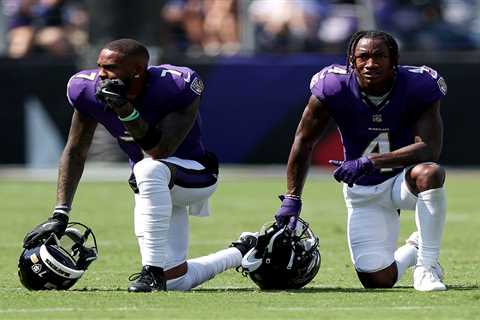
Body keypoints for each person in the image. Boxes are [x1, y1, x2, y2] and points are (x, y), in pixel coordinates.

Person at [22, 38, 257, 292]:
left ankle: (151, 272)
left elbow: (159, 150)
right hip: (152, 185)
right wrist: (61, 212)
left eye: (111, 67)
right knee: (176, 281)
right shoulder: (86, 89)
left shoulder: (175, 85)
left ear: (137, 70)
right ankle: (244, 249)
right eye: (99, 65)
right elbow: (76, 150)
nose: (102, 74)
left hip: (194, 174)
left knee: (147, 168)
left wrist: (126, 110)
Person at [275, 30, 448, 292]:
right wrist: (292, 197)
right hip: (364, 189)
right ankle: (414, 249)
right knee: (377, 280)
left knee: (430, 173)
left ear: (394, 60)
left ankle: (427, 267)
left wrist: (371, 161)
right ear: (351, 60)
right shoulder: (333, 86)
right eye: (363, 57)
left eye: (379, 56)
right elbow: (303, 141)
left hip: (403, 180)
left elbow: (430, 149)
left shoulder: (418, 84)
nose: (370, 63)